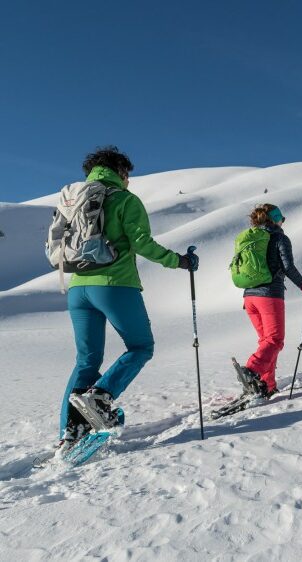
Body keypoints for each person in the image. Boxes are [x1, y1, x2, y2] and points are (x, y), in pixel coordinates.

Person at [59, 146, 199, 451]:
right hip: (115, 285)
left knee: (86, 360)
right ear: (119, 171)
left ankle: (69, 433)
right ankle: (99, 399)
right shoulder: (124, 200)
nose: (128, 181)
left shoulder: (75, 200)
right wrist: (179, 261)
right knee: (140, 347)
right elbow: (143, 244)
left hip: (77, 288)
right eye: (127, 175)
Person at [237, 203, 302, 397]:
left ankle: (268, 385)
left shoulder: (252, 239)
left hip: (249, 297)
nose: (283, 222)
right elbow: (288, 267)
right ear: (275, 219)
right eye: (282, 219)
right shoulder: (280, 238)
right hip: (269, 296)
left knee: (267, 342)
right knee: (275, 341)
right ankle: (251, 370)